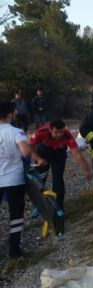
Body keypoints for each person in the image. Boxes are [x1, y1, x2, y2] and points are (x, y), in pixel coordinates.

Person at [0, 101, 46, 258]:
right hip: (14, 179)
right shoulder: (15, 131)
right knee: (16, 214)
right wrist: (35, 159)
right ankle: (15, 250)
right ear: (10, 115)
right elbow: (26, 152)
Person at [29, 119, 93, 211]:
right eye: (56, 132)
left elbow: (77, 154)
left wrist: (87, 170)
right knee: (41, 179)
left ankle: (58, 207)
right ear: (50, 130)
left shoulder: (67, 134)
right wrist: (38, 158)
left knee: (58, 180)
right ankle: (39, 204)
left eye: (61, 132)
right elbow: (29, 146)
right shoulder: (41, 132)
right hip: (42, 152)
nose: (59, 135)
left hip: (59, 153)